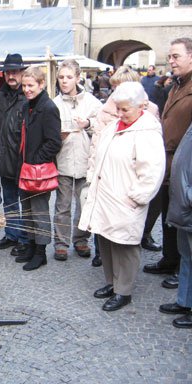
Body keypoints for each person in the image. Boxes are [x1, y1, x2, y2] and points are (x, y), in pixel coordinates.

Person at [79, 82, 165, 311]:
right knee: (106, 240)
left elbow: (152, 171)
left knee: (125, 245)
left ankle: (123, 290)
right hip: (106, 196)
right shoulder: (115, 125)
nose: (119, 113)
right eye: (118, 108)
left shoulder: (147, 131)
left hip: (125, 200)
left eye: (125, 109)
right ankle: (111, 282)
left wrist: (137, 197)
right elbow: (98, 154)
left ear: (141, 106)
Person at [94, 65, 162, 259]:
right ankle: (102, 254)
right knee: (103, 221)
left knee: (126, 232)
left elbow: (151, 157)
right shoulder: (106, 110)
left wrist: (139, 194)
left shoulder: (149, 113)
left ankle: (124, 280)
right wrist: (93, 174)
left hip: (129, 178)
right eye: (116, 87)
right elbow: (96, 144)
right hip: (107, 176)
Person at [143, 38, 192, 292]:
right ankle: (169, 258)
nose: (170, 61)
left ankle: (181, 268)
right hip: (168, 160)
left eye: (176, 56)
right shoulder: (175, 85)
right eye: (169, 56)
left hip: (184, 162)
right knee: (167, 215)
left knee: (182, 218)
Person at [52, 59, 103, 262]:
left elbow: (104, 124)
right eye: (61, 77)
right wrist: (58, 136)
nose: (64, 81)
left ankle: (81, 239)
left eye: (69, 77)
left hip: (86, 160)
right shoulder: (55, 104)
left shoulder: (91, 101)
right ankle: (61, 243)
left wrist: (89, 123)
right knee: (62, 205)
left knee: (84, 204)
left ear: (78, 78)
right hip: (63, 160)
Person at [16, 66, 62, 271]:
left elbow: (54, 142)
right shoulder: (28, 106)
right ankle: (32, 246)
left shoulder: (49, 108)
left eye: (30, 85)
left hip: (37, 170)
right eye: (24, 85)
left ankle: (40, 253)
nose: (26, 89)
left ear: (41, 84)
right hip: (25, 168)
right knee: (27, 210)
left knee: (39, 212)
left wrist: (35, 160)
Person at [0, 53, 29, 257]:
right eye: (8, 71)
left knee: (25, 199)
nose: (11, 75)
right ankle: (12, 234)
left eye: (15, 71)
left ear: (22, 73)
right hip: (4, 155)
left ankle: (25, 238)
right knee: (10, 199)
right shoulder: (1, 95)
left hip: (21, 157)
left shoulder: (28, 95)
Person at [159, 122, 192, 328]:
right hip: (183, 205)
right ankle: (185, 301)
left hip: (187, 202)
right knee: (187, 256)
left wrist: (188, 195)